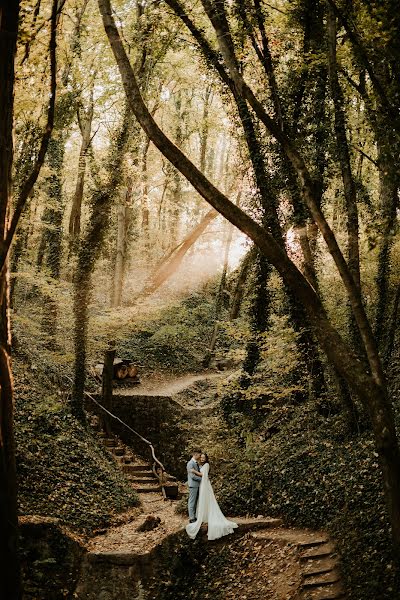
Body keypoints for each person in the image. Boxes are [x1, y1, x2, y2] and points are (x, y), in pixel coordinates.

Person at [186, 452, 238, 541]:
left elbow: (203, 475)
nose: (202, 459)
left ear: (206, 459)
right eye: (201, 457)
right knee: (199, 500)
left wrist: (195, 472)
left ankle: (199, 517)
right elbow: (195, 477)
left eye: (203, 457)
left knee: (205, 499)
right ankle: (196, 517)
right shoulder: (194, 464)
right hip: (201, 484)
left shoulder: (206, 465)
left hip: (204, 485)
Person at [186, 449, 202, 523]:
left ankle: (195, 516)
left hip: (197, 485)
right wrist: (202, 479)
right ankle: (191, 518)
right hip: (193, 485)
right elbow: (192, 476)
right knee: (192, 501)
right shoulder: (190, 463)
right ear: (195, 454)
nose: (200, 456)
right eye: (199, 455)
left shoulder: (195, 463)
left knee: (196, 501)